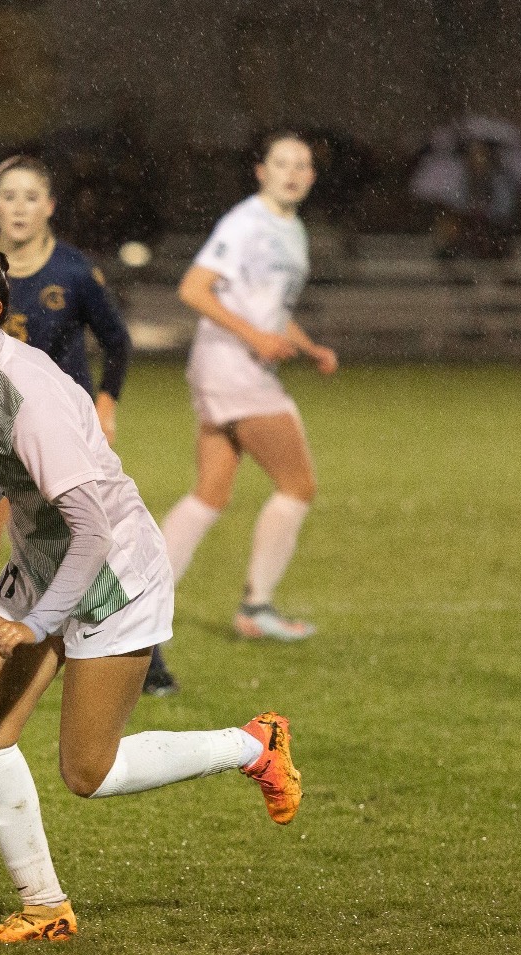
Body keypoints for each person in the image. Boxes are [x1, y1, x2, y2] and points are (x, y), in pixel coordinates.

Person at [0, 242, 303, 943]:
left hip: (112, 578)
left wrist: (38, 625)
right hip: (43, 564)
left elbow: (92, 532)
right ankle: (44, 908)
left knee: (88, 771)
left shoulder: (30, 393)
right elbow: (1, 465)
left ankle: (253, 744)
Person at [0, 156, 155, 695]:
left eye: (30, 197)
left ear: (49, 207)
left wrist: (107, 399)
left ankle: (146, 661)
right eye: (9, 197)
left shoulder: (72, 272)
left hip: (57, 432)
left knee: (88, 536)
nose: (19, 208)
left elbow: (117, 342)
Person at [161, 132, 337, 643]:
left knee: (210, 494)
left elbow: (269, 308)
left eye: (302, 165)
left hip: (229, 366)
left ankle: (140, 602)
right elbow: (193, 288)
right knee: (298, 485)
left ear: (312, 176)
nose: (293, 172)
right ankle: (256, 606)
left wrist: (306, 346)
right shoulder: (244, 223)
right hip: (232, 367)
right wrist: (256, 337)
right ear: (260, 171)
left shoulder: (293, 228)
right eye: (281, 163)